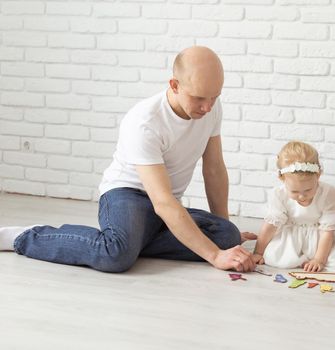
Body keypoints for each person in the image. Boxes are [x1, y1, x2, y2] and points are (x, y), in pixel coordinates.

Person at [0, 46, 255, 273]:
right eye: (199, 97)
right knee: (116, 255)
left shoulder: (210, 109)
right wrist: (214, 255)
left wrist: (226, 236)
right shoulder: (145, 121)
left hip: (163, 205)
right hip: (126, 195)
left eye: (214, 97)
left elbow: (213, 170)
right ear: (174, 85)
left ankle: (133, 240)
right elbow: (163, 202)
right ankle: (24, 236)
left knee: (227, 235)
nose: (207, 107)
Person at [251, 141, 335, 273]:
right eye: (295, 192)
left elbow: (327, 231)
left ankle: (318, 256)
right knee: (274, 257)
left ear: (318, 175)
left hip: (322, 237)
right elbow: (269, 226)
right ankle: (299, 255)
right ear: (282, 178)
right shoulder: (278, 194)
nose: (302, 196)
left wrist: (319, 260)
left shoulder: (327, 192)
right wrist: (258, 252)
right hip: (292, 236)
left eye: (308, 190)